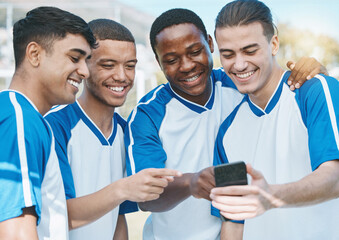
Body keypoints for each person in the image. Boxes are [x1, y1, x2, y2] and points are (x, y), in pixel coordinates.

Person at [124, 8, 327, 240]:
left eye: (195, 51)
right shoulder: (147, 114)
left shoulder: (241, 84)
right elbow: (147, 199)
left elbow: (277, 85)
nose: (187, 65)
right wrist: (191, 183)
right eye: (171, 60)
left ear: (210, 44)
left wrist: (310, 74)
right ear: (159, 63)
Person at [211, 1, 339, 239]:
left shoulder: (316, 91)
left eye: (250, 51)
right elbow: (233, 219)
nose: (239, 64)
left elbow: (335, 178)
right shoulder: (226, 132)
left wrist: (271, 196)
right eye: (227, 54)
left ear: (274, 44)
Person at [45, 19, 181, 240]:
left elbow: (118, 216)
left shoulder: (126, 132)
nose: (122, 76)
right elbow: (60, 216)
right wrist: (122, 189)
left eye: (130, 65)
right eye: (108, 65)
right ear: (84, 66)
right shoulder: (55, 125)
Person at [0, 6, 96, 239]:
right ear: (34, 54)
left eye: (86, 60)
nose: (84, 71)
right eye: (75, 58)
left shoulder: (29, 118)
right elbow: (16, 232)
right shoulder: (18, 119)